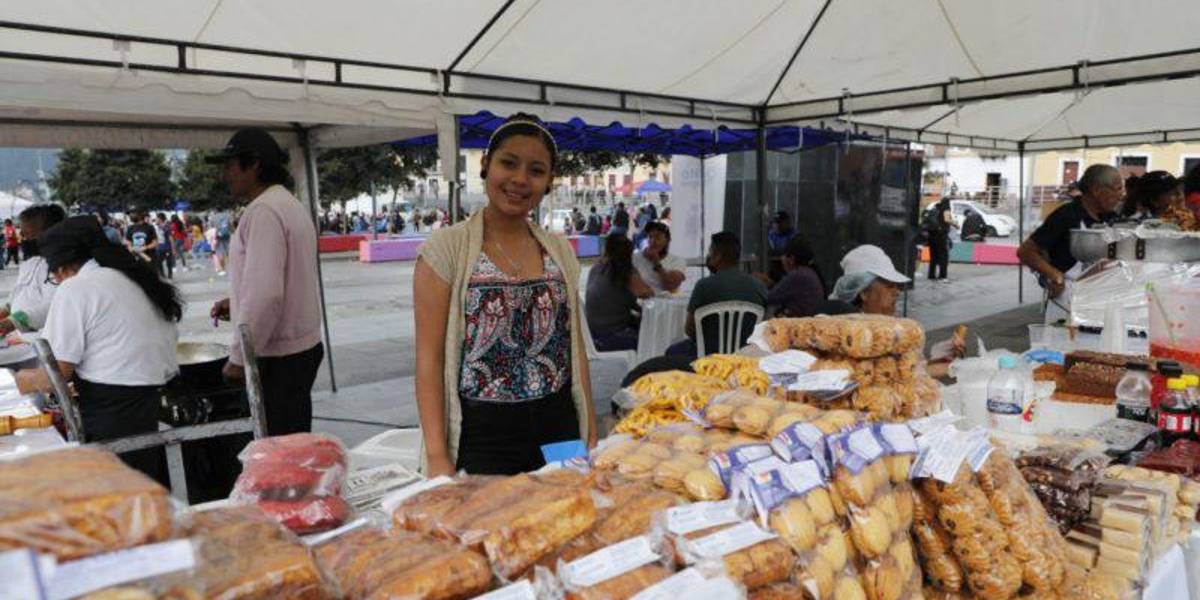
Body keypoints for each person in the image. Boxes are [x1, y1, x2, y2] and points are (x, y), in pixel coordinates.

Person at [414, 113, 597, 477]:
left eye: (536, 170)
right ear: (486, 165)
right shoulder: (444, 250)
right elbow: (429, 360)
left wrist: (589, 429)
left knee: (569, 509)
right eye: (508, 163)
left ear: (549, 182)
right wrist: (436, 454)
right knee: (488, 516)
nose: (520, 179)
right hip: (483, 437)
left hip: (559, 425)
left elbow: (574, 348)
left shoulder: (560, 251)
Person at [15, 216, 181, 484]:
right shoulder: (131, 277)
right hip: (155, 402)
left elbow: (55, 374)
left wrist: (19, 380)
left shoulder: (76, 288)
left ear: (61, 268)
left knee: (121, 496)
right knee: (147, 492)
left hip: (116, 415)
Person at [206, 128, 324, 437]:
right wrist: (237, 302)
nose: (226, 174)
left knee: (278, 450)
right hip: (298, 349)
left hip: (278, 359)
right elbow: (282, 279)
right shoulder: (286, 203)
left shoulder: (263, 212)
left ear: (254, 165)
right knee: (293, 441)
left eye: (231, 165)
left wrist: (239, 357)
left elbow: (266, 294)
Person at [828, 244, 963, 376]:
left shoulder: (896, 329)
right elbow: (873, 378)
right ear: (863, 292)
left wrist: (939, 356)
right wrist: (930, 370)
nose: (897, 292)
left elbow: (910, 367)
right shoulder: (845, 337)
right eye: (889, 285)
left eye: (897, 286)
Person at [1018, 164, 1122, 324]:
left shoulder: (1110, 218)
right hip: (1067, 299)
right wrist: (1054, 275)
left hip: (1099, 298)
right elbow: (1026, 251)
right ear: (1096, 190)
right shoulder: (1066, 215)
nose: (1121, 195)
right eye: (1117, 189)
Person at [665, 232, 767, 359]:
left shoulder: (703, 285)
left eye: (710, 252)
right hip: (746, 355)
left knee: (672, 351)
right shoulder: (758, 285)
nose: (708, 256)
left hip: (709, 354)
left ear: (718, 256)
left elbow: (689, 329)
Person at [0, 204, 66, 335]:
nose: (23, 239)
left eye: (28, 235)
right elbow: (19, 293)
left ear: (48, 233)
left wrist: (13, 322)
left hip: (44, 336)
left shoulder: (62, 266)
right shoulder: (31, 262)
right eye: (22, 234)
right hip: (21, 335)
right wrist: (6, 309)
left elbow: (55, 305)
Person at [586, 235, 653, 352]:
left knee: (640, 321)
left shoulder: (596, 268)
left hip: (593, 334)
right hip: (612, 336)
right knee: (652, 337)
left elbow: (615, 300)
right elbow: (648, 293)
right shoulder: (626, 273)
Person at [766, 235, 826, 318]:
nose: (781, 260)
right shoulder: (809, 273)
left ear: (791, 259)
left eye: (783, 256)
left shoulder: (797, 276)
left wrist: (759, 285)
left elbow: (769, 298)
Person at [632, 221, 686, 294]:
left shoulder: (677, 261)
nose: (653, 241)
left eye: (658, 237)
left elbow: (671, 287)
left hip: (665, 300)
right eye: (650, 237)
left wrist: (657, 264)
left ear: (667, 240)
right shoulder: (635, 258)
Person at [924, 197, 953, 282]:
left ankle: (931, 275)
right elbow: (947, 219)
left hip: (932, 235)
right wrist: (956, 224)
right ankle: (942, 276)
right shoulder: (946, 209)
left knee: (933, 256)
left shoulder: (935, 208)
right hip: (941, 236)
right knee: (943, 256)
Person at [767, 211, 798, 283]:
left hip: (791, 267)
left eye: (779, 222)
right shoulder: (772, 234)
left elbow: (788, 252)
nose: (777, 225)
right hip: (776, 266)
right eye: (775, 223)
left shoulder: (795, 235)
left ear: (787, 223)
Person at [154, 212, 174, 279]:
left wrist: (173, 249)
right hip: (159, 248)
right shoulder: (156, 227)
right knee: (158, 262)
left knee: (169, 263)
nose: (155, 220)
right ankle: (163, 276)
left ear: (160, 219)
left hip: (167, 248)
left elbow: (171, 238)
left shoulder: (166, 227)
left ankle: (170, 276)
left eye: (156, 218)